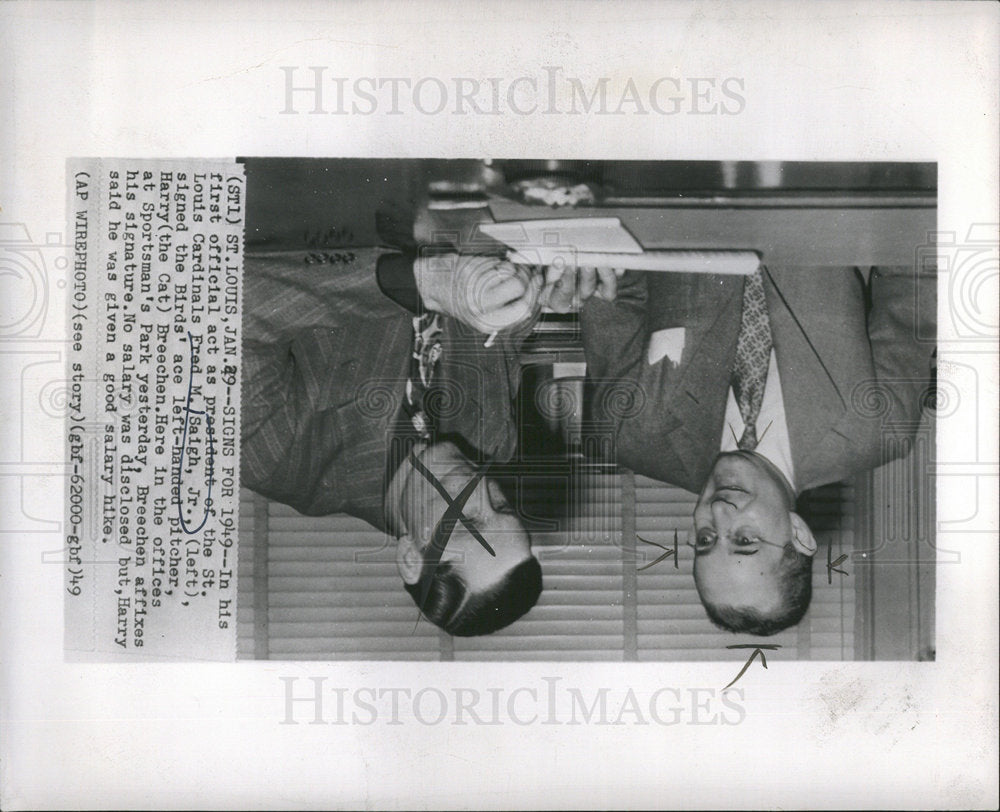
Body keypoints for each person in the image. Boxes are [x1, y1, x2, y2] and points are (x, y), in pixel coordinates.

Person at [580, 262, 937, 636]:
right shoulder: (878, 431)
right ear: (799, 534)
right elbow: (912, 282)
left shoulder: (629, 434)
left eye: (705, 540)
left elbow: (613, 286)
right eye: (744, 540)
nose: (718, 512)